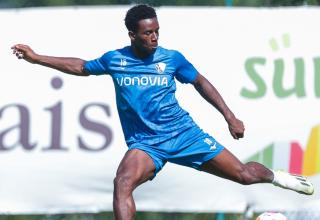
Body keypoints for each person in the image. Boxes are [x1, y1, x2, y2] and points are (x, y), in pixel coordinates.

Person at [11, 4, 314, 220]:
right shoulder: (115, 60)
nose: (154, 37)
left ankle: (277, 176)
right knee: (123, 182)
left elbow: (201, 83)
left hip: (184, 135)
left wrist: (229, 116)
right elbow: (80, 66)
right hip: (146, 144)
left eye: (157, 31)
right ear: (132, 35)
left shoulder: (171, 58)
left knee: (245, 176)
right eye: (147, 33)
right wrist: (37, 58)